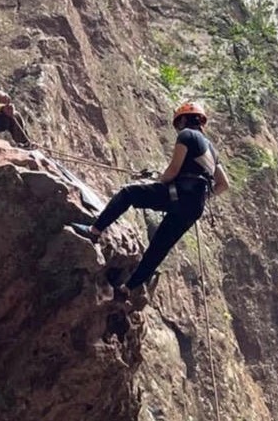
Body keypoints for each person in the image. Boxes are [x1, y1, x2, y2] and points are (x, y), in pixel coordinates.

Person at [73, 101, 231, 290]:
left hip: (178, 194)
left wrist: (159, 182)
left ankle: (94, 231)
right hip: (194, 206)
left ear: (183, 120)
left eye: (178, 122)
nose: (178, 127)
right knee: (159, 247)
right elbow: (223, 184)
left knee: (128, 194)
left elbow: (173, 170)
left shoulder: (187, 135)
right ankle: (128, 288)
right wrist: (203, 196)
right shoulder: (212, 151)